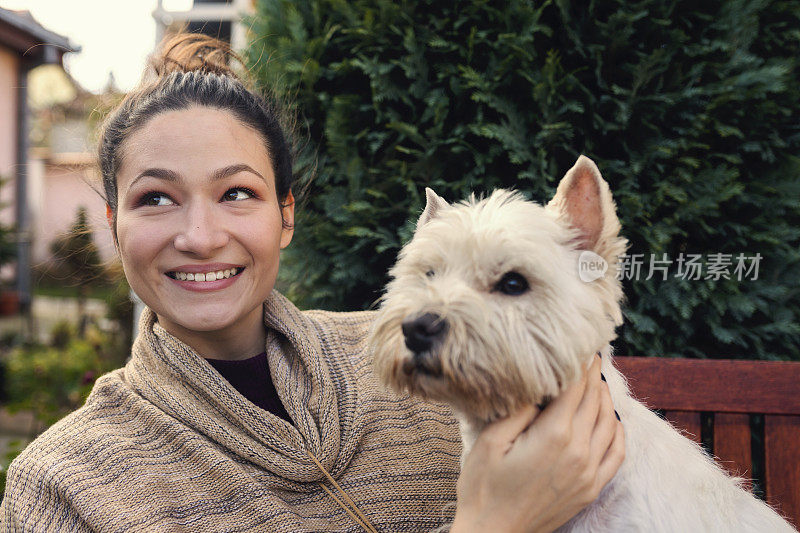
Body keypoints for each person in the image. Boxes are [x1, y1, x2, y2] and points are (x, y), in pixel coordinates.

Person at [0, 35, 624, 532]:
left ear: (287, 215)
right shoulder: (64, 489)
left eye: (236, 192)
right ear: (115, 224)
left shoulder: (424, 360)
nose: (200, 235)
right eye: (156, 198)